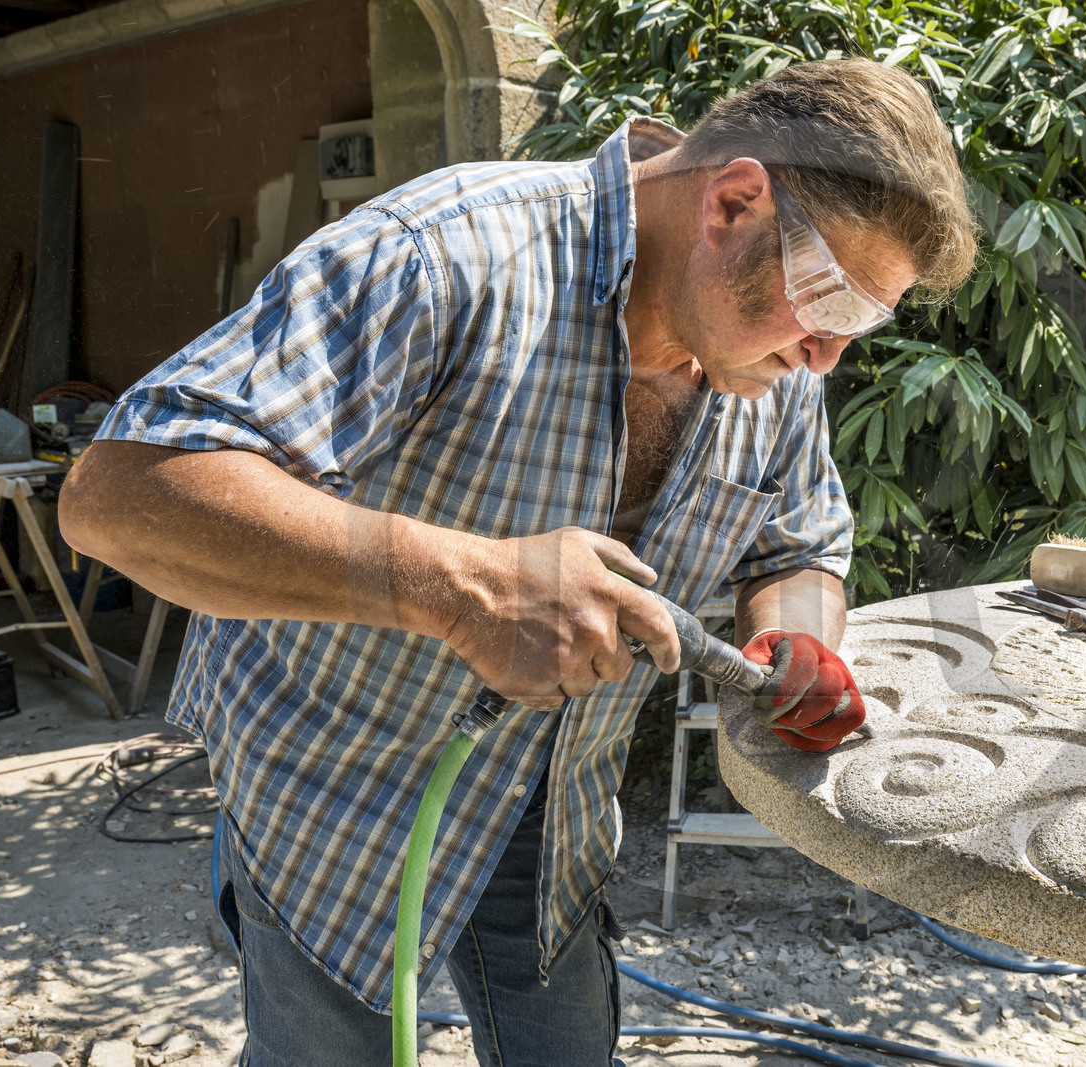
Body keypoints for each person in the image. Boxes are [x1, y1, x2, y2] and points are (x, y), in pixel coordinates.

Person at [59, 57, 977, 1067]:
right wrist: (462, 587)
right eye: (830, 305)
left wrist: (798, 637)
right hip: (328, 792)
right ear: (733, 202)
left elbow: (798, 540)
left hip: (555, 814)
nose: (826, 357)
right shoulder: (443, 253)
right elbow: (120, 493)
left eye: (861, 324)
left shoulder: (768, 358)